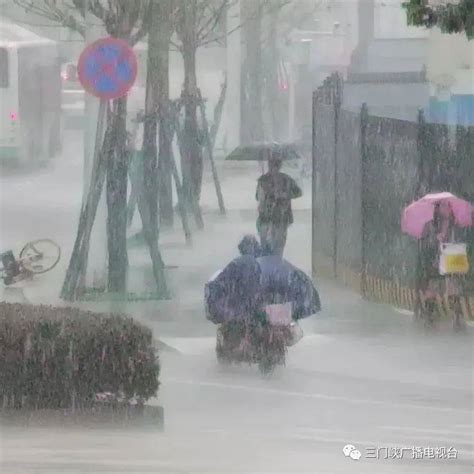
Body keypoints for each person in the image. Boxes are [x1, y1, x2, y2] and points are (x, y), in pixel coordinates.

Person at [417, 201, 466, 330]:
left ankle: (457, 317)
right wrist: (435, 239)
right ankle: (429, 316)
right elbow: (425, 245)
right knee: (432, 289)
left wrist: (451, 241)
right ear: (437, 208)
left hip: (452, 261)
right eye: (444, 206)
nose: (447, 208)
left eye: (448, 206)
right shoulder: (430, 226)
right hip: (435, 261)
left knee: (453, 288)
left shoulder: (456, 225)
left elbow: (461, 243)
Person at [256, 153, 302, 257]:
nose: (273, 168)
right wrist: (266, 192)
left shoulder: (286, 180)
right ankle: (272, 265)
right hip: (268, 219)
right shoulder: (263, 180)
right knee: (269, 248)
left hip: (279, 218)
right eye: (272, 165)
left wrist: (284, 195)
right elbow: (258, 197)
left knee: (276, 248)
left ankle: (273, 265)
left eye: (275, 165)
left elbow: (298, 192)